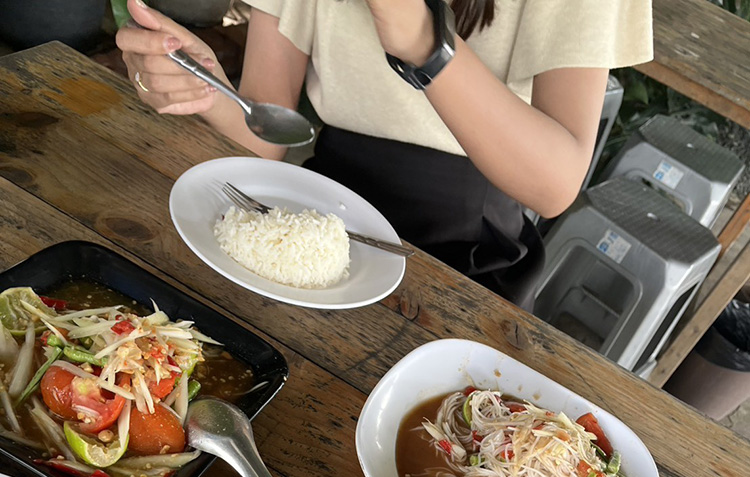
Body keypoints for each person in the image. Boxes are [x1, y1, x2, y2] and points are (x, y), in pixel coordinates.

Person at [117, 0, 653, 309]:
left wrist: (425, 45)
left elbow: (554, 183)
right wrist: (206, 89)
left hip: (468, 265)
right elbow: (265, 133)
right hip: (313, 224)